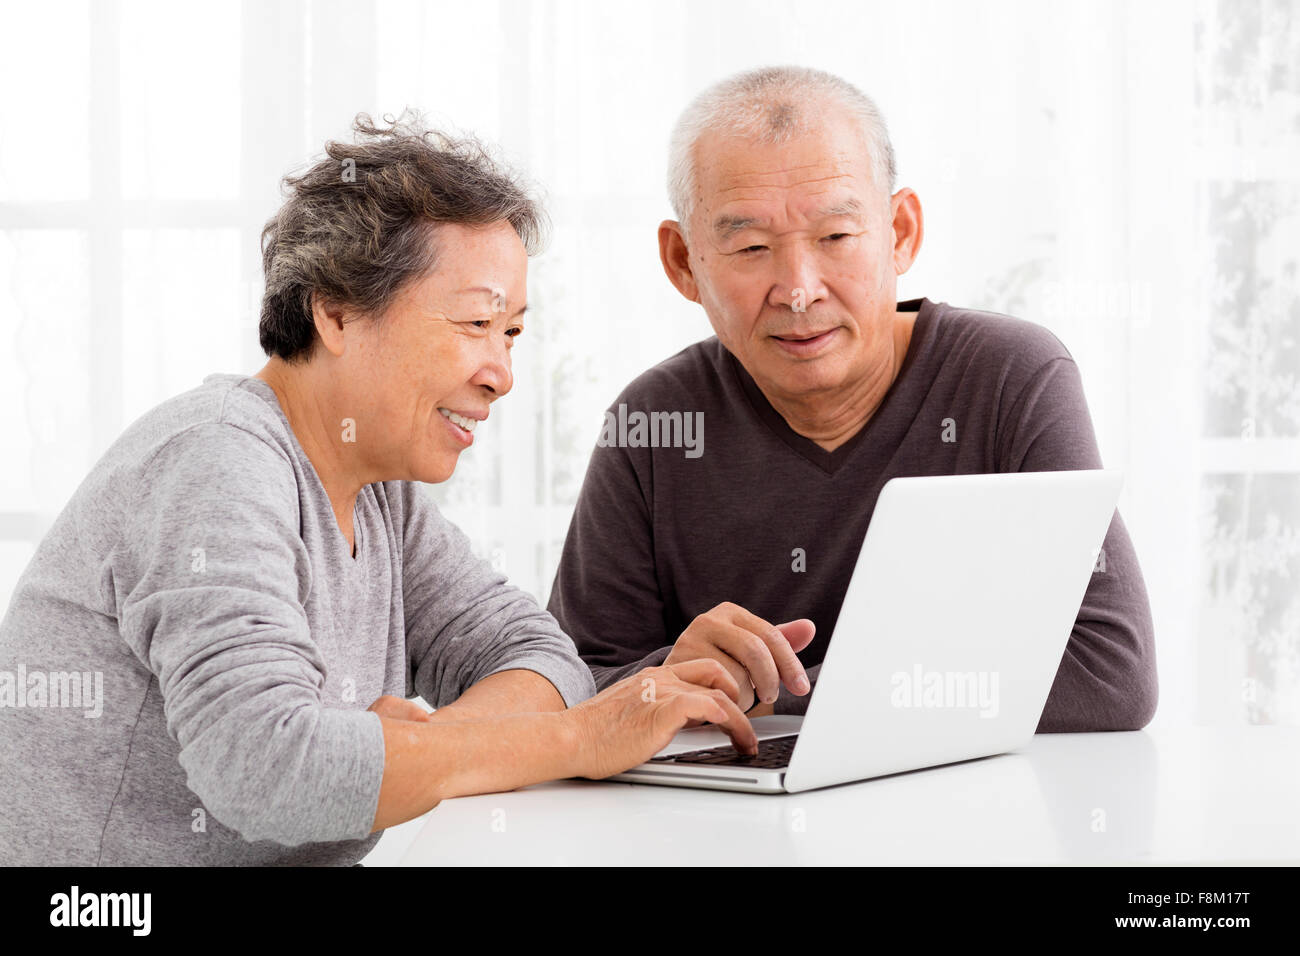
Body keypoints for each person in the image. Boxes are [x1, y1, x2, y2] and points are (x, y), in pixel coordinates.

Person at [0, 112, 756, 867]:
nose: (502, 374)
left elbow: (541, 655)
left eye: (513, 333)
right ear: (335, 313)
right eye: (475, 322)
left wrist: (419, 745)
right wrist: (581, 739)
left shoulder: (376, 490)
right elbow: (264, 768)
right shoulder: (215, 459)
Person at [548, 67, 1158, 732]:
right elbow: (572, 686)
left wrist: (764, 694)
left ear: (899, 232)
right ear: (683, 263)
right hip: (730, 827)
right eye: (751, 247)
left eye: (836, 238)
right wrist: (657, 679)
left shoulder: (1011, 378)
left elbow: (1109, 675)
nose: (799, 288)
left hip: (967, 815)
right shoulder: (656, 422)